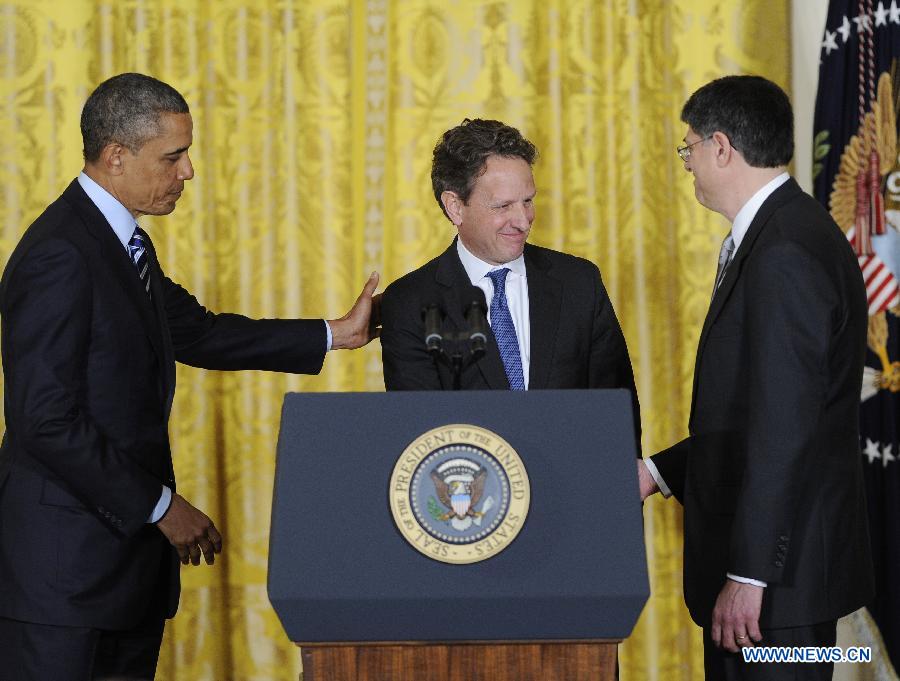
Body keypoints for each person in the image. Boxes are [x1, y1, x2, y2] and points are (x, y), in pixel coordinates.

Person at [0, 72, 379, 681]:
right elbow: (44, 420)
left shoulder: (123, 245)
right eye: (173, 157)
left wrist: (336, 332)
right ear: (116, 157)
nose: (189, 173)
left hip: (118, 580)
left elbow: (200, 332)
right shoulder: (61, 253)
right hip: (62, 586)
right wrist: (159, 507)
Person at [637, 75, 874, 680]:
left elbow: (784, 426)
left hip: (774, 592)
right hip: (779, 580)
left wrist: (749, 574)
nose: (686, 163)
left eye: (688, 148)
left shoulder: (784, 252)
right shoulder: (785, 233)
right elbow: (762, 413)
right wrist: (659, 471)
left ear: (721, 147)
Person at [379, 119, 639, 428]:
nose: (523, 221)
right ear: (455, 207)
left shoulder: (579, 282)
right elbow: (421, 431)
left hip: (574, 473)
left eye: (528, 201)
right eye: (503, 206)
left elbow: (616, 411)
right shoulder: (409, 302)